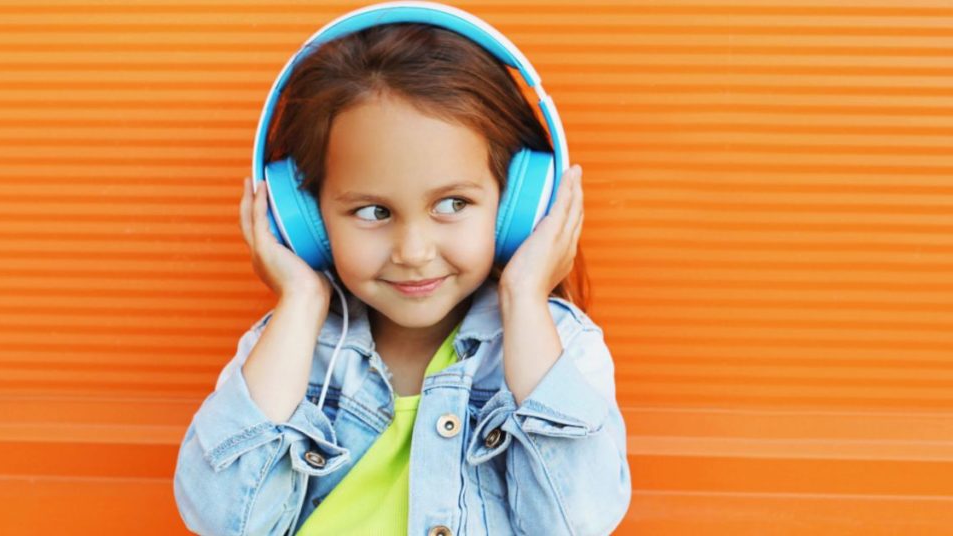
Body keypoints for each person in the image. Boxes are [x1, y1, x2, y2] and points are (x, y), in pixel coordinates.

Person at [173, 4, 630, 535]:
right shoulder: (288, 350)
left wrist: (525, 296)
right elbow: (222, 520)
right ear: (304, 220)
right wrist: (299, 301)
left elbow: (577, 523)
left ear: (519, 206)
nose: (413, 251)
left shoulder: (562, 349)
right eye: (372, 211)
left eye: (454, 203)